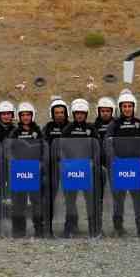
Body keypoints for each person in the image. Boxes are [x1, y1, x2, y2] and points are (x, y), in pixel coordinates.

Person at [107, 92, 140, 236]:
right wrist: (114, 160)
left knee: (138, 198)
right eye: (124, 106)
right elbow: (108, 144)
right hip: (119, 166)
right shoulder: (114, 124)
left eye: (129, 106)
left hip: (136, 166)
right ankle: (118, 227)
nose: (127, 109)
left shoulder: (139, 124)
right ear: (120, 108)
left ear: (134, 107)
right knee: (119, 198)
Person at [58, 98, 100, 237]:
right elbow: (61, 149)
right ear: (73, 114)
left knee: (90, 199)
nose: (80, 115)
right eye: (77, 113)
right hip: (71, 169)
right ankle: (69, 226)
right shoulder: (67, 129)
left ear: (86, 113)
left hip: (87, 169)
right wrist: (65, 162)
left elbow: (97, 148)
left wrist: (93, 162)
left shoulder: (91, 129)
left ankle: (93, 227)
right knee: (70, 200)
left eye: (82, 113)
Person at [7, 101, 43, 237]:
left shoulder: (38, 131)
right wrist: (13, 163)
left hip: (35, 171)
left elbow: (44, 149)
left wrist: (41, 164)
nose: (26, 117)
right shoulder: (15, 132)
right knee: (18, 202)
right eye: (23, 115)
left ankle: (39, 229)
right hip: (19, 171)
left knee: (36, 201)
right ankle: (18, 230)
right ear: (19, 116)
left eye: (28, 114)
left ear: (32, 115)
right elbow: (8, 150)